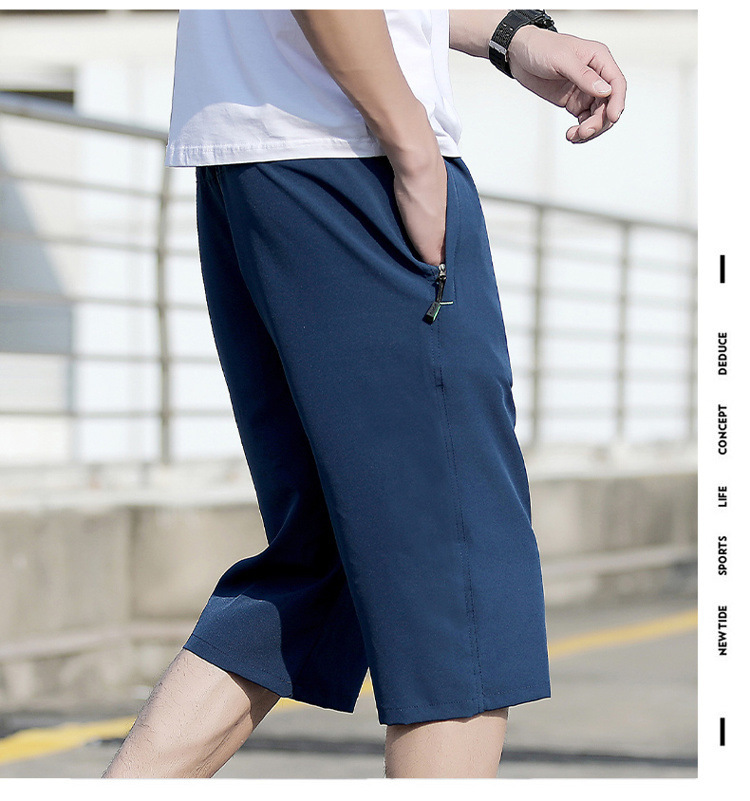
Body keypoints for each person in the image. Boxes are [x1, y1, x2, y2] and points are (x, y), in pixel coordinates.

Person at [102, 9, 626, 779]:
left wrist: (515, 36)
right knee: (455, 587)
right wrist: (408, 138)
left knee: (323, 560)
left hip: (265, 158)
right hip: (349, 153)